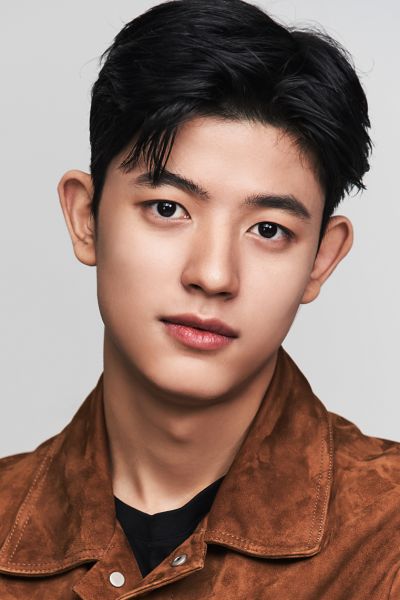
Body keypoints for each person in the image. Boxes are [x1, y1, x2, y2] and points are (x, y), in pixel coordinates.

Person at [1, 0, 399, 597]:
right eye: (168, 209)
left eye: (268, 229)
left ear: (321, 258)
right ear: (86, 218)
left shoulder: (386, 535)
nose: (213, 275)